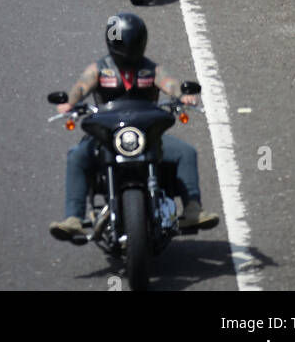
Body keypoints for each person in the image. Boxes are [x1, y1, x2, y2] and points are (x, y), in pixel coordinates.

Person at [48, 13, 220, 240]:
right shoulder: (99, 69)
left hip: (146, 135)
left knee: (185, 153)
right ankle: (74, 218)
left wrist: (183, 95)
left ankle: (192, 210)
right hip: (106, 135)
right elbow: (81, 87)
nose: (129, 49)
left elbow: (170, 84)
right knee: (77, 156)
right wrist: (70, 103)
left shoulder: (152, 69)